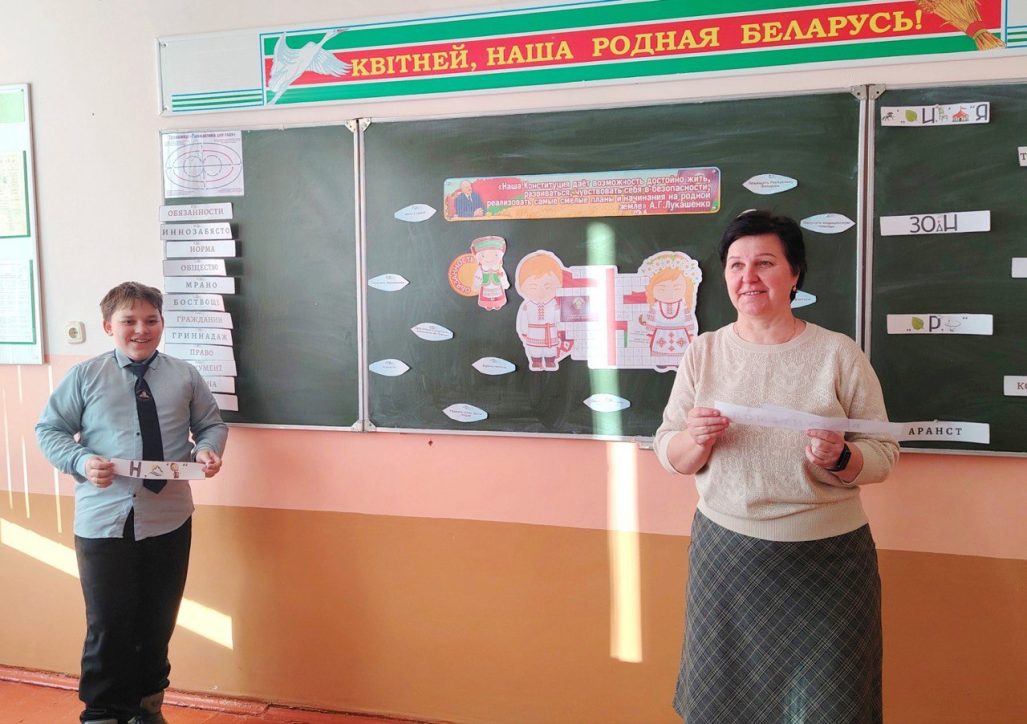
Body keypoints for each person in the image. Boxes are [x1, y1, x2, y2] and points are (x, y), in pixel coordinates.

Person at [653, 210, 898, 723]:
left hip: (828, 562)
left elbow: (883, 453)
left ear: (794, 273)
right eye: (736, 265)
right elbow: (669, 450)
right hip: (726, 560)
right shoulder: (704, 352)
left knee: (831, 705)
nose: (749, 277)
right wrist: (695, 441)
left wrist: (842, 457)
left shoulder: (838, 354)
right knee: (725, 704)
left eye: (765, 263)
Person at [36, 282, 228, 724]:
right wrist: (81, 461)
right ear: (109, 326)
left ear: (162, 323)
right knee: (109, 624)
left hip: (169, 518)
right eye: (129, 321)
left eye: (151, 320)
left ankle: (147, 706)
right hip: (104, 519)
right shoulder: (86, 376)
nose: (141, 329)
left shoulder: (185, 375)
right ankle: (103, 712)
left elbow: (211, 424)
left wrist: (207, 450)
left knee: (158, 621)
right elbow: (50, 430)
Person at [515, 250, 567, 371]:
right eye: (533, 287)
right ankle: (536, 361)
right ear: (522, 287)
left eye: (548, 287)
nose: (541, 292)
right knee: (534, 349)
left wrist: (561, 327)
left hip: (551, 332)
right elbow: (523, 320)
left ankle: (550, 361)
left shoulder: (554, 304)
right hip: (533, 332)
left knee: (550, 349)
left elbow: (558, 317)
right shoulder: (527, 306)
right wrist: (524, 331)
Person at [470, 235, 510, 311]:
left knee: (498, 294)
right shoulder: (481, 269)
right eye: (483, 256)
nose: (490, 259)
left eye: (495, 255)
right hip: (486, 286)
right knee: (486, 296)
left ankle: (498, 302)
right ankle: (488, 304)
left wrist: (505, 283)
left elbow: (503, 275)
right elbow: (478, 277)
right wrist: (476, 285)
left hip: (497, 285)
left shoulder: (498, 268)